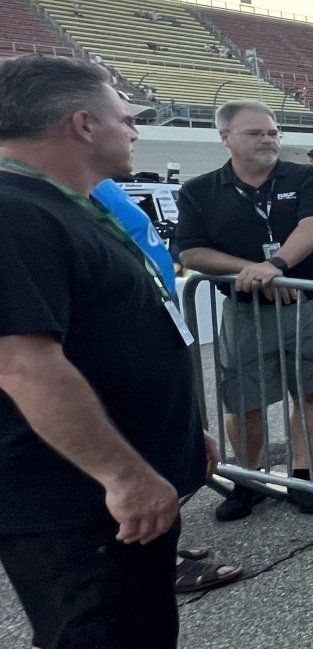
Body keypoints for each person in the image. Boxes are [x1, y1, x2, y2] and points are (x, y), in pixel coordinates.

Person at [0, 54, 233, 649]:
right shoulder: (16, 211)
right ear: (80, 124)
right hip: (72, 491)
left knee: (64, 640)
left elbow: (115, 334)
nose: (136, 127)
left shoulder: (66, 205)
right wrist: (125, 475)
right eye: (121, 113)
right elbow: (26, 366)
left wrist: (178, 435)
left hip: (83, 483)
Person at [174, 99, 313, 518]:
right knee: (243, 399)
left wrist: (276, 267)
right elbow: (194, 251)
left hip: (311, 302)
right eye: (255, 133)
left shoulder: (308, 177)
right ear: (226, 138)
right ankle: (248, 479)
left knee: (310, 390)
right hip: (245, 310)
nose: (268, 139)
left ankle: (303, 476)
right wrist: (255, 272)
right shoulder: (199, 190)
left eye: (272, 132)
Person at [92, 178, 242, 594]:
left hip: (149, 327)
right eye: (120, 117)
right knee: (136, 448)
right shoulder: (58, 193)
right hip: (120, 345)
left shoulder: (98, 185)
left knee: (160, 443)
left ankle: (164, 542)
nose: (132, 130)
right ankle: (156, 560)